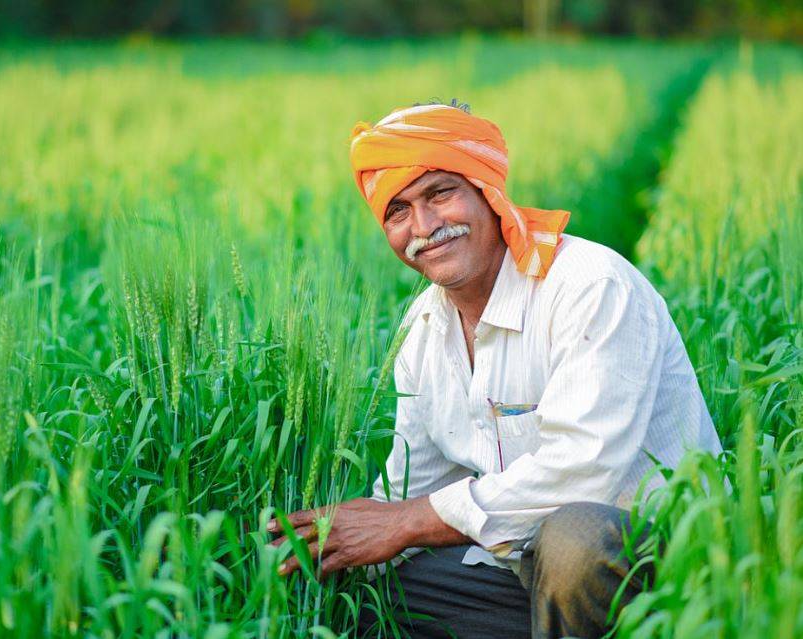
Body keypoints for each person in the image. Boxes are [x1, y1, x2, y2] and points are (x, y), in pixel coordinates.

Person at [265, 101, 723, 638]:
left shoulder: (589, 287)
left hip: (656, 571)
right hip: (520, 572)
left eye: (440, 193)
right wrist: (333, 540)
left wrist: (406, 522)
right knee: (360, 591)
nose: (425, 226)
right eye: (398, 211)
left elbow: (585, 474)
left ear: (488, 191)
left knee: (573, 538)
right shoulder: (424, 330)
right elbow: (416, 483)